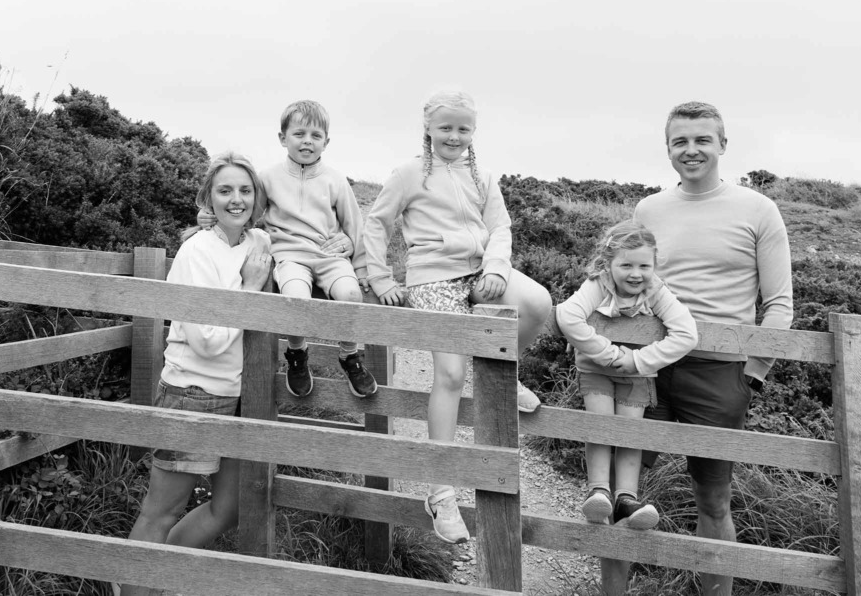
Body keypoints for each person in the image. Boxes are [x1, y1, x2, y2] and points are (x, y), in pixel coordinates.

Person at [601, 101, 794, 596]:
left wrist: (753, 373)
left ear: (723, 145)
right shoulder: (649, 209)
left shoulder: (758, 209)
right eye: (680, 141)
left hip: (720, 373)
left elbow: (779, 304)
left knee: (713, 498)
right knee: (622, 491)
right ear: (668, 149)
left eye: (702, 140)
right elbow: (626, 280)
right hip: (645, 366)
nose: (691, 150)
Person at [362, 90, 552, 544]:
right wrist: (382, 278)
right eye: (446, 127)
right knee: (449, 374)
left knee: (539, 302)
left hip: (479, 272)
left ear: (473, 131)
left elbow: (501, 227)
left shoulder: (483, 175)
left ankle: (507, 375)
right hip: (432, 278)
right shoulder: (408, 173)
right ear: (428, 127)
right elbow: (376, 223)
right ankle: (441, 493)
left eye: (463, 128)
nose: (454, 135)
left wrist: (495, 268)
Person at [120, 153, 272, 596]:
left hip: (238, 396)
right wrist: (248, 289)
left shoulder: (258, 243)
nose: (236, 199)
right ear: (208, 198)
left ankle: (159, 580)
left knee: (228, 511)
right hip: (193, 392)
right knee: (161, 511)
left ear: (257, 198)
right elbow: (206, 341)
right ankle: (136, 589)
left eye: (245, 190)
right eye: (225, 190)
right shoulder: (195, 251)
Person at [200, 100, 377, 398]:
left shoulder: (335, 180)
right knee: (295, 298)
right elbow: (245, 213)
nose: (307, 141)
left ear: (326, 142)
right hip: (290, 257)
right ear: (283, 138)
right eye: (299, 133)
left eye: (316, 135)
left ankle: (349, 355)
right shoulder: (268, 178)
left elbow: (354, 226)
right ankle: (297, 355)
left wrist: (360, 269)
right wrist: (209, 217)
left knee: (350, 295)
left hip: (330, 256)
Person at [553, 220, 697, 531]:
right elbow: (568, 314)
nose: (636, 273)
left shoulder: (656, 290)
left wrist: (640, 360)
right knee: (601, 427)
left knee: (631, 433)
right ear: (608, 263)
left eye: (645, 265)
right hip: (596, 371)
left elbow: (687, 334)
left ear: (654, 265)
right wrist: (608, 354)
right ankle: (598, 491)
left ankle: (626, 498)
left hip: (637, 375)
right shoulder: (598, 285)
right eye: (626, 265)